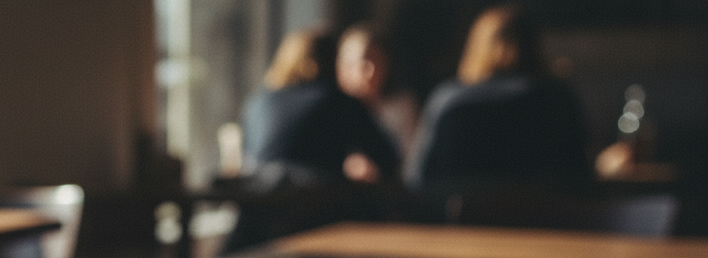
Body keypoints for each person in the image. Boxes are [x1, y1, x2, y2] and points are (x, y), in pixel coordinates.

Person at [404, 4, 590, 189]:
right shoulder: (559, 100)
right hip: (542, 215)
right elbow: (579, 176)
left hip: (461, 214)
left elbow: (416, 179)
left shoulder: (449, 100)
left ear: (475, 47)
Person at [239, 27, 400, 190]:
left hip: (256, 199)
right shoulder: (337, 100)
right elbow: (388, 160)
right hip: (309, 204)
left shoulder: (259, 101)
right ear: (333, 62)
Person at [335, 23, 419, 163]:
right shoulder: (331, 111)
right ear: (343, 68)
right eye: (364, 62)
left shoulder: (401, 109)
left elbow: (411, 165)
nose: (372, 71)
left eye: (379, 62)